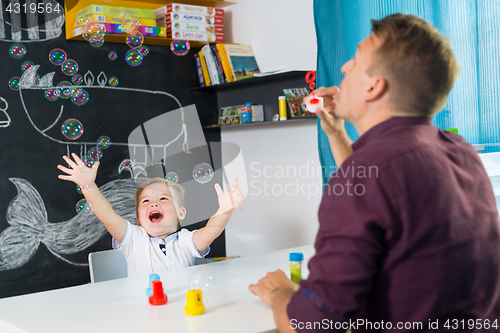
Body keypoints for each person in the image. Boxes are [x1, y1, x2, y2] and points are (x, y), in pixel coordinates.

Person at [249, 14, 500, 332]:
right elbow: (377, 191)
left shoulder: (368, 174)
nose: (343, 68)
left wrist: (279, 294)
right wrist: (336, 133)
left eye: (354, 60)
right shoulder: (459, 150)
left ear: (373, 86)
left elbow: (310, 326)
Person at [58, 153, 243, 277]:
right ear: (138, 218)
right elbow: (107, 215)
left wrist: (224, 210)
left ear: (181, 213)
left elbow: (211, 230)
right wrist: (88, 186)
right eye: (145, 201)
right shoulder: (133, 238)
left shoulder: (186, 241)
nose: (154, 202)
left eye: (164, 198)